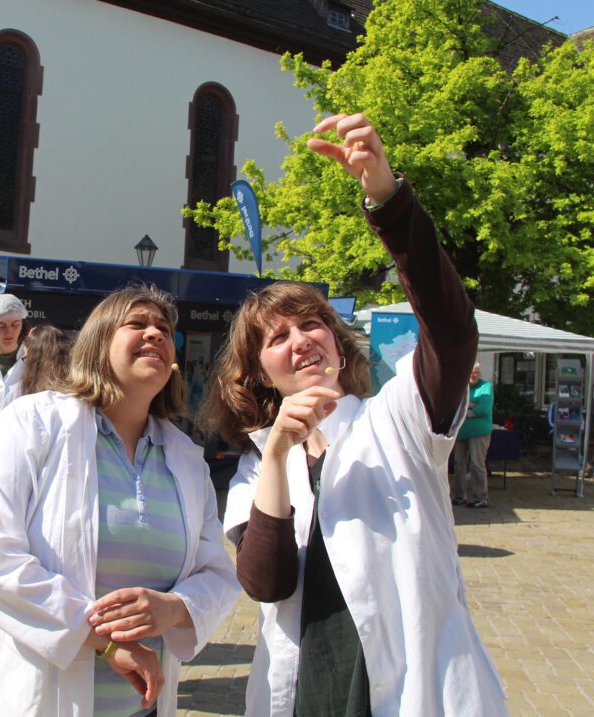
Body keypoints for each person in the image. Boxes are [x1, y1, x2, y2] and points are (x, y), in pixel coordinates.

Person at [201, 113, 507, 716]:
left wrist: (387, 201)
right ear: (260, 373)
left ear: (339, 346)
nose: (301, 339)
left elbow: (450, 329)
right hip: (308, 691)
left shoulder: (397, 419)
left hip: (415, 689)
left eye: (312, 323)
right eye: (277, 336)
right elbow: (267, 583)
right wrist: (280, 454)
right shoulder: (255, 469)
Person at [0, 285, 240, 716]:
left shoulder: (186, 459)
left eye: (163, 329)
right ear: (99, 343)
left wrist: (174, 608)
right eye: (137, 324)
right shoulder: (33, 425)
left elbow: (216, 571)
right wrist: (102, 643)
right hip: (32, 698)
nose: (156, 334)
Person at [453, 361, 494, 508]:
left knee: (476, 464)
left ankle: (480, 498)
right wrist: (470, 405)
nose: (473, 375)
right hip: (461, 431)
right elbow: (453, 403)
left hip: (479, 432)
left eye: (476, 372)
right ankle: (459, 496)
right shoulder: (460, 387)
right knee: (458, 464)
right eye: (471, 372)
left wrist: (467, 409)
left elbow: (484, 408)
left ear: (480, 373)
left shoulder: (486, 387)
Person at [19, 324, 71, 397]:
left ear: (36, 363)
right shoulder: (83, 400)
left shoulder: (21, 404)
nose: (25, 365)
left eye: (27, 358)